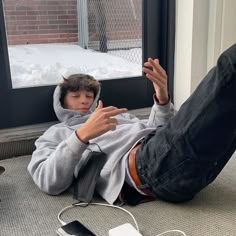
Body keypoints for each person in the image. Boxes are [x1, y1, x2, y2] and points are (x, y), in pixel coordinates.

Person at [28, 44, 236, 205]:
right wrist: (81, 136)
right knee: (231, 64)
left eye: (88, 95)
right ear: (61, 100)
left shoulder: (113, 115)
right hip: (148, 169)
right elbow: (48, 181)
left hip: (176, 160)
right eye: (75, 95)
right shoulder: (55, 134)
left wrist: (162, 96)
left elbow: (158, 130)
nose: (84, 100)